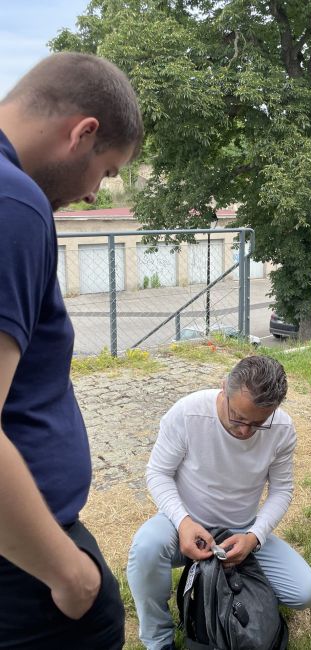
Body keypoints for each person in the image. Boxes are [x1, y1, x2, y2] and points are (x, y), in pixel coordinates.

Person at [0, 53, 143, 649]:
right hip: (24, 569)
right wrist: (68, 572)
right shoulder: (15, 205)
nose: (93, 193)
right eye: (107, 172)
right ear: (83, 133)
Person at [127, 355, 311, 650]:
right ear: (223, 389)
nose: (245, 431)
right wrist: (183, 521)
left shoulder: (282, 428)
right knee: (145, 550)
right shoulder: (188, 413)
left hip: (241, 532)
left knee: (305, 591)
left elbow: (282, 490)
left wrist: (254, 537)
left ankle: (233, 595)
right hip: (183, 524)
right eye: (238, 417)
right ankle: (158, 639)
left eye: (258, 423)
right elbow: (158, 473)